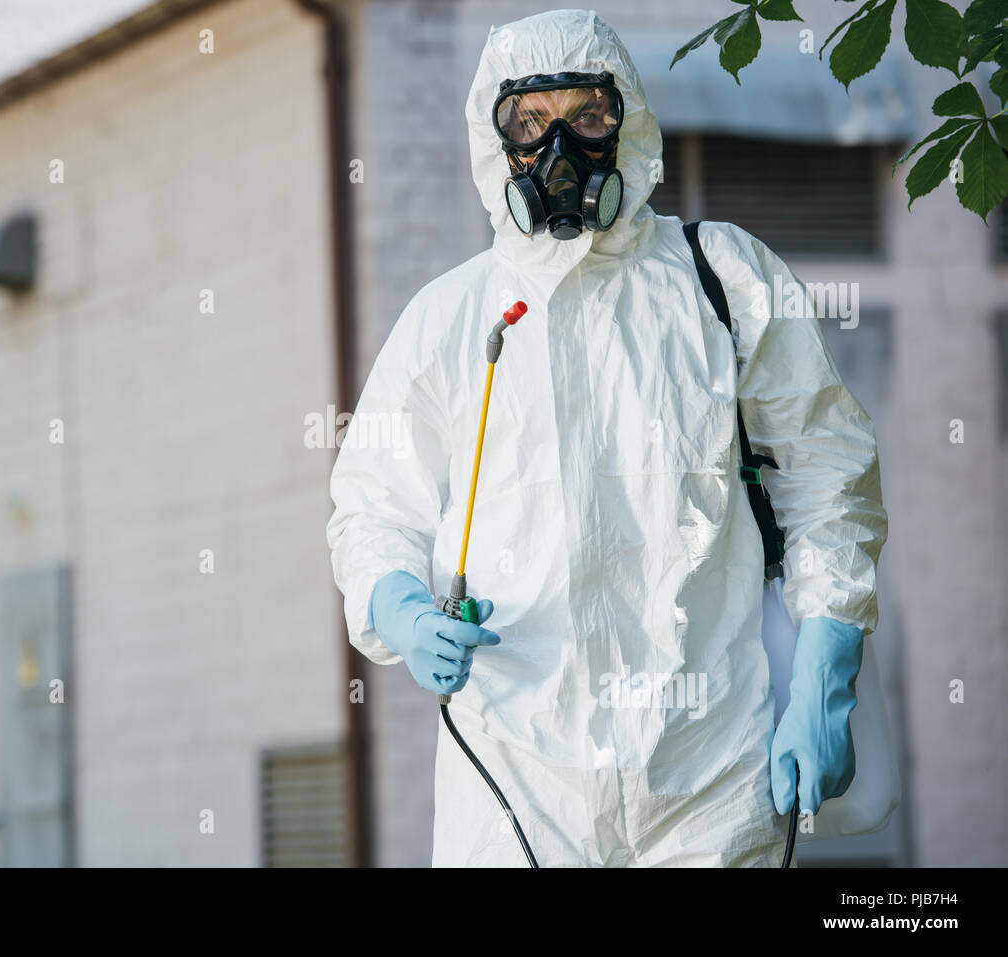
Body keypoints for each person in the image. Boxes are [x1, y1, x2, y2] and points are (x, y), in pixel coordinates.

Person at [326, 8, 887, 867]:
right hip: (511, 780)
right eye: (530, 125)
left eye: (587, 116)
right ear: (498, 144)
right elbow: (371, 511)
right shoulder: (451, 319)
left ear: (626, 117)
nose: (561, 151)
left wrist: (823, 669)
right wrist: (398, 607)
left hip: (708, 773)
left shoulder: (722, 280)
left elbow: (828, 475)